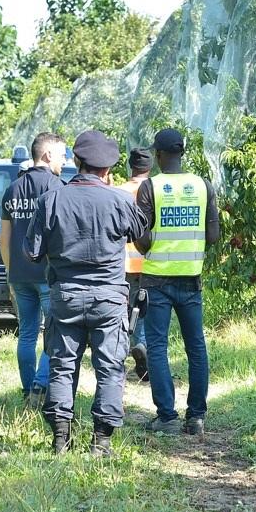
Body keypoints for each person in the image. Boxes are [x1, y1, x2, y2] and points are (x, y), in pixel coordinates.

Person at [26, 130, 148, 456]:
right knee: (110, 367)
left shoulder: (51, 200)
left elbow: (33, 253)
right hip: (109, 298)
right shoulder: (121, 201)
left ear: (77, 162)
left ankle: (60, 441)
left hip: (65, 295)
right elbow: (144, 240)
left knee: (63, 366)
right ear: (107, 170)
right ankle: (101, 443)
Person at [134, 128, 219, 437]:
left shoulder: (150, 187)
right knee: (196, 346)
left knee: (157, 347)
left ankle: (167, 417)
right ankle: (196, 417)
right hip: (191, 278)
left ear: (157, 155)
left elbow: (142, 239)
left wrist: (152, 244)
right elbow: (213, 236)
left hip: (156, 279)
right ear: (183, 153)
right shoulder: (203, 186)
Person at [0, 133, 66, 407]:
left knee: (27, 334)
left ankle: (28, 390)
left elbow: (4, 238)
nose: (65, 160)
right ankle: (40, 384)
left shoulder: (13, 189)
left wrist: (10, 273)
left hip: (20, 273)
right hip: (48, 275)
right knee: (54, 333)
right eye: (62, 154)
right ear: (48, 154)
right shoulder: (57, 187)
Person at [116, 147, 153, 382]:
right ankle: (142, 345)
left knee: (124, 311)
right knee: (147, 311)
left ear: (131, 167)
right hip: (149, 261)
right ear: (150, 168)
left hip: (123, 262)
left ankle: (120, 353)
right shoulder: (154, 190)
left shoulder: (118, 192)